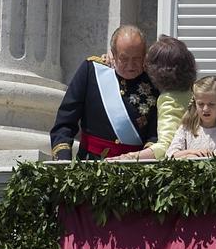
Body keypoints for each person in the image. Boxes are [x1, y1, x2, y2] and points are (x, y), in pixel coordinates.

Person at [50, 25, 159, 160]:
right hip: (91, 163)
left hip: (135, 167)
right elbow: (65, 121)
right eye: (124, 59)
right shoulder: (92, 71)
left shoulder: (153, 82)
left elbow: (155, 134)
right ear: (113, 54)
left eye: (137, 59)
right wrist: (63, 160)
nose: (131, 66)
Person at [109, 35, 197, 160]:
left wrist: (130, 157)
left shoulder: (169, 99)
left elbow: (166, 146)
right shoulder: (193, 90)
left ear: (158, 70)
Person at [166, 76, 216, 158]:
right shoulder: (187, 127)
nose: (205, 109)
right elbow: (170, 154)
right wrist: (191, 153)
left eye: (211, 104)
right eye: (201, 104)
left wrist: (207, 156)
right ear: (195, 102)